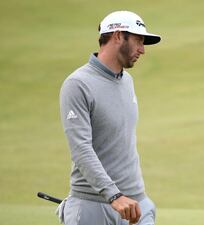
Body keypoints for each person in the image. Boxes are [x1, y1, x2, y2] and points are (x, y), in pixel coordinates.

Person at [58, 11, 161, 225]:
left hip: (135, 205)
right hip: (93, 206)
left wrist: (141, 199)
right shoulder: (78, 84)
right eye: (138, 41)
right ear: (117, 36)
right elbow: (81, 149)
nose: (142, 49)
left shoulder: (127, 81)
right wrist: (113, 195)